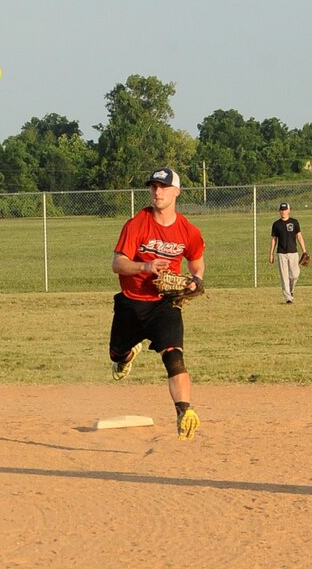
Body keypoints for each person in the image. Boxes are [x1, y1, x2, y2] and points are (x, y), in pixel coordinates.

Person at [109, 167, 205, 440]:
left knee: (174, 355)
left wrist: (194, 282)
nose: (157, 191)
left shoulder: (189, 231)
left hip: (165, 303)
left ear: (177, 191)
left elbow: (196, 265)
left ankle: (183, 410)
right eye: (153, 186)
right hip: (131, 303)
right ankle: (126, 357)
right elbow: (117, 264)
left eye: (163, 187)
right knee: (117, 353)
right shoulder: (137, 224)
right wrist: (147, 265)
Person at [269, 202, 307, 304]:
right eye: (281, 210)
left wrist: (304, 250)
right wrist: (271, 253)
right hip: (281, 253)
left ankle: (291, 291)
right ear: (279, 211)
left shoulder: (294, 222)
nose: (283, 212)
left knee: (295, 275)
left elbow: (299, 236)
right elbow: (273, 239)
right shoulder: (276, 224)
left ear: (289, 210)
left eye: (285, 209)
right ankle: (288, 298)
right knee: (284, 276)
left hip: (293, 252)